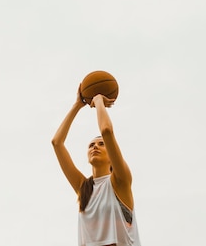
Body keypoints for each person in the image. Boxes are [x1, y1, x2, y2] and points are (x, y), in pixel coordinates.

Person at [51, 88, 141, 246]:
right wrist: (77, 105)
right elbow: (57, 143)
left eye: (101, 144)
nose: (95, 147)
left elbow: (106, 130)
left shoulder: (120, 181)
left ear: (112, 158)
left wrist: (99, 100)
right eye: (91, 145)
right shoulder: (84, 188)